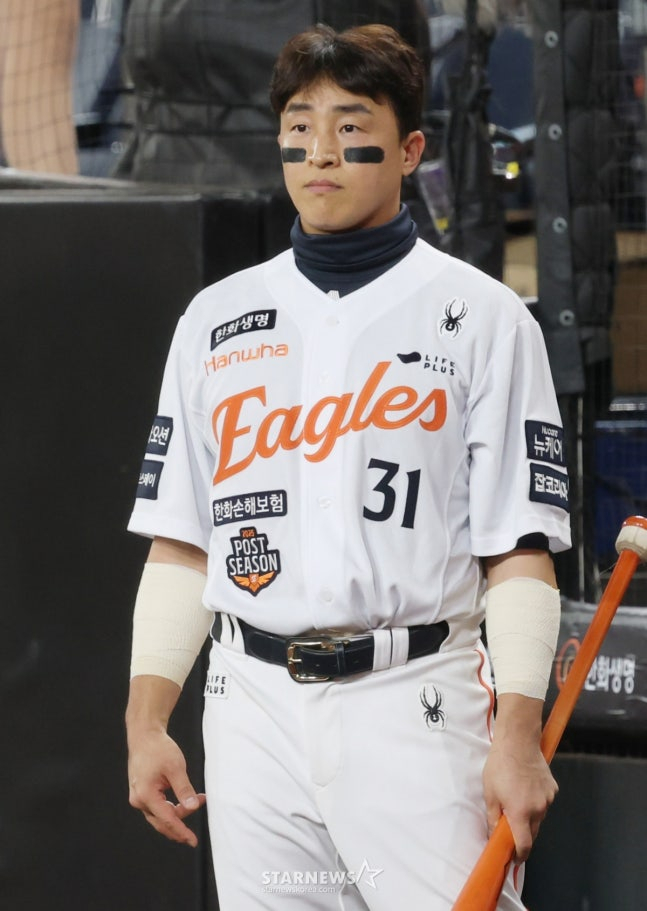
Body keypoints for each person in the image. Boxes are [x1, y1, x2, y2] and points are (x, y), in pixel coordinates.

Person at [125, 22, 571, 911]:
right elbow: (181, 545)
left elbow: (518, 551)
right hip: (250, 708)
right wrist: (146, 721)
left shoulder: (484, 317)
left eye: (350, 124)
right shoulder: (214, 319)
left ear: (409, 150)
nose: (320, 150)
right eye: (300, 125)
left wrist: (518, 738)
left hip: (413, 703)